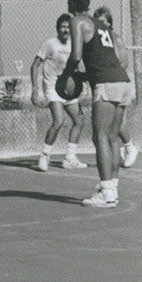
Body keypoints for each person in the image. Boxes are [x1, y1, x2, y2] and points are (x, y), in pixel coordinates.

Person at [57, 0, 131, 208]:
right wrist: (81, 77)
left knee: (99, 137)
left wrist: (66, 76)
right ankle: (112, 189)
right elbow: (101, 59)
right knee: (112, 137)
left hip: (106, 84)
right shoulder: (100, 24)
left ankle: (106, 193)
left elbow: (76, 54)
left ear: (71, 2)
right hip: (123, 82)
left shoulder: (77, 20)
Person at [30, 15, 87, 171]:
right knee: (59, 120)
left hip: (67, 90)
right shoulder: (50, 44)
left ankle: (70, 157)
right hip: (52, 88)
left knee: (79, 120)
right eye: (62, 26)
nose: (66, 29)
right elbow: (35, 66)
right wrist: (35, 90)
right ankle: (44, 155)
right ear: (57, 28)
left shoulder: (74, 45)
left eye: (69, 27)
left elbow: (79, 69)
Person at [93, 6, 138, 169]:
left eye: (103, 22)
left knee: (105, 131)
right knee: (110, 128)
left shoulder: (114, 38)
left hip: (115, 82)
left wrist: (109, 69)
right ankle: (118, 154)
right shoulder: (98, 40)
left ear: (109, 22)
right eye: (97, 22)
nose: (100, 25)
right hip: (112, 82)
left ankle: (129, 146)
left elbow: (124, 62)